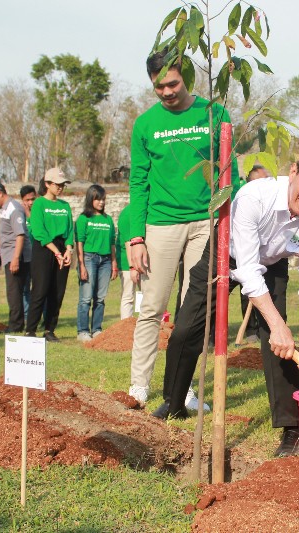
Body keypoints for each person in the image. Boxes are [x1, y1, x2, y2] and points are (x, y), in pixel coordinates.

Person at [153, 143, 299, 458]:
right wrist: (277, 325)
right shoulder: (254, 196)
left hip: (272, 263)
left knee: (279, 343)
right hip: (225, 253)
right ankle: (173, 403)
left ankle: (291, 427)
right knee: (186, 329)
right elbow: (246, 269)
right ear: (293, 172)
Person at [126, 48, 242, 404]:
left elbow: (230, 173)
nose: (166, 92)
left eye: (173, 84)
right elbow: (138, 183)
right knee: (152, 308)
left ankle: (184, 388)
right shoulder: (145, 124)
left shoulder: (214, 113)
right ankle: (139, 386)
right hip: (160, 225)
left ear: (186, 78)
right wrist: (135, 237)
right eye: (158, 87)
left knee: (193, 314)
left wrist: (228, 221)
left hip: (206, 223)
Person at [26, 168, 74, 342]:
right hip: (44, 248)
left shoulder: (65, 206)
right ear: (47, 184)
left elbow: (70, 230)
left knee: (57, 292)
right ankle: (30, 330)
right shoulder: (39, 204)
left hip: (62, 248)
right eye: (57, 184)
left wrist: (68, 250)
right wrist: (56, 252)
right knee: (40, 290)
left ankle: (49, 330)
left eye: (63, 185)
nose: (60, 187)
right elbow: (38, 231)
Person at [0, 182, 31, 333]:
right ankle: (16, 323)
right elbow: (6, 232)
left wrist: (16, 258)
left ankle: (16, 326)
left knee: (14, 292)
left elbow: (20, 234)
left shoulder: (14, 208)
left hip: (15, 256)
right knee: (13, 292)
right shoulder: (5, 209)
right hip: (9, 255)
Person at [75, 184, 117, 341]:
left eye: (103, 199)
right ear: (90, 199)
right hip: (89, 258)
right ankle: (83, 331)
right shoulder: (83, 219)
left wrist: (114, 263)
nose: (101, 202)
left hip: (106, 261)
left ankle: (97, 329)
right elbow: (79, 242)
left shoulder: (108, 220)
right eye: (98, 199)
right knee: (86, 298)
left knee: (100, 298)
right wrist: (81, 265)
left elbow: (112, 243)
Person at [238, 164, 271, 343]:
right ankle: (251, 329)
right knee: (248, 291)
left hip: (268, 256)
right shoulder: (246, 199)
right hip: (246, 255)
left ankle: (266, 331)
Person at [116, 203, 138, 321]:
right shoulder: (127, 214)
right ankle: (126, 323)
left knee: (144, 294)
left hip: (141, 260)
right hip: (127, 262)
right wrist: (132, 267)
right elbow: (128, 242)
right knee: (128, 295)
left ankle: (142, 323)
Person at [19, 185, 38, 318]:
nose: (30, 202)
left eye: (33, 199)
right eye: (27, 200)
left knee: (38, 288)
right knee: (25, 288)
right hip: (25, 257)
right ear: (22, 200)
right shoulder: (19, 214)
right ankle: (26, 316)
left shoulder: (38, 213)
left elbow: (36, 231)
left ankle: (39, 316)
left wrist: (29, 215)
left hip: (37, 256)